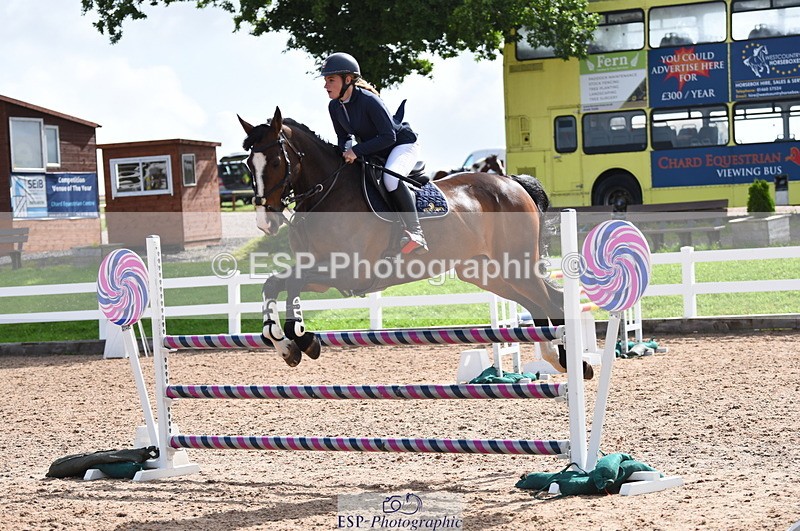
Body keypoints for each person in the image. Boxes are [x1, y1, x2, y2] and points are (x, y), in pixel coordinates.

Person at [321, 52, 428, 254]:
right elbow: (343, 136)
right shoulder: (334, 106)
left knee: (390, 179)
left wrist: (356, 150)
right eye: (326, 80)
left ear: (348, 79)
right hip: (375, 149)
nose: (326, 85)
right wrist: (345, 152)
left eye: (331, 80)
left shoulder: (369, 101)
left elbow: (389, 137)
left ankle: (416, 232)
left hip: (402, 145)